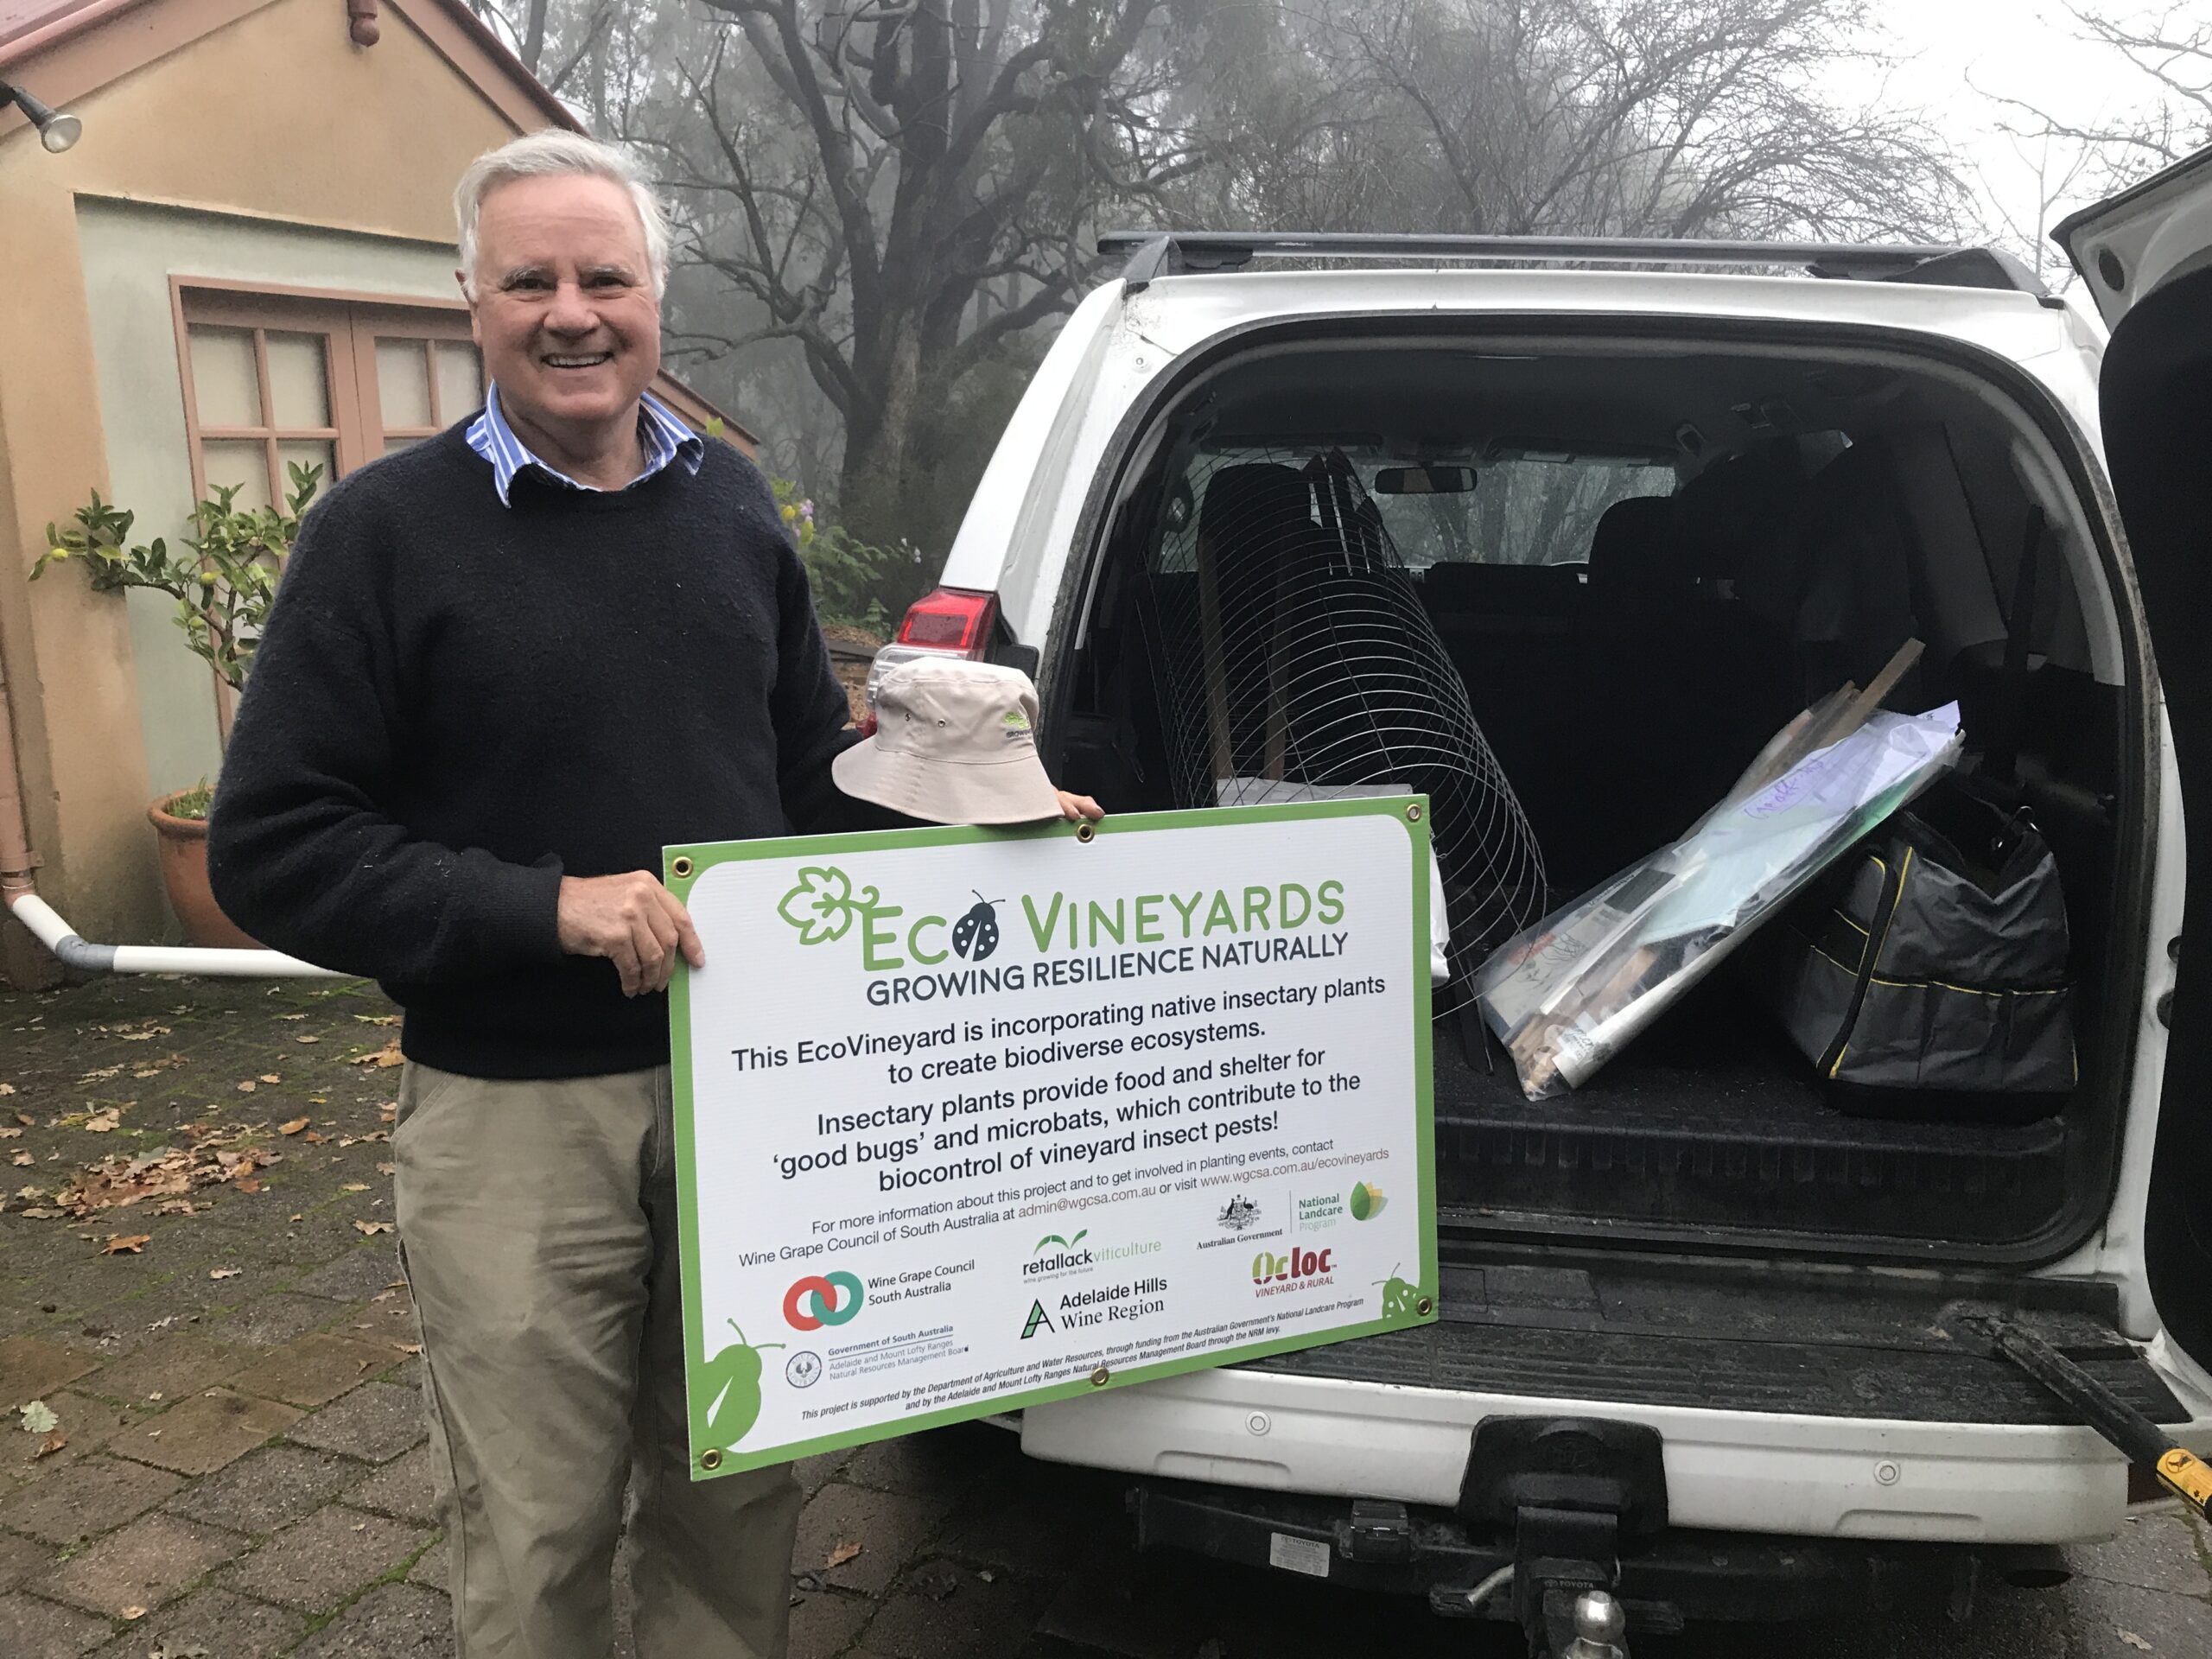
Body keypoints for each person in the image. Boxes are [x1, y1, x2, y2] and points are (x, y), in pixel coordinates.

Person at [207, 129, 1094, 1659]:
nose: (572, 310)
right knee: (535, 1519)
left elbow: (801, 778)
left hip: (765, 1092)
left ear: (654, 300)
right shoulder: (382, 534)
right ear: (470, 303)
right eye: (530, 278)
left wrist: (978, 818)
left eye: (603, 276)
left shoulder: (732, 507)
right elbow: (272, 844)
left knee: (740, 1484)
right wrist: (543, 907)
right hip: (515, 1120)